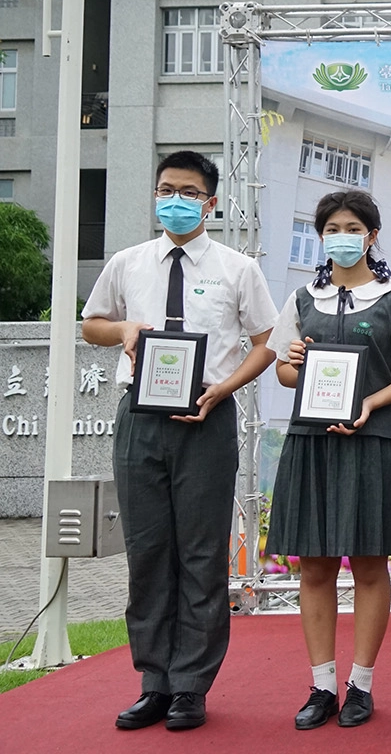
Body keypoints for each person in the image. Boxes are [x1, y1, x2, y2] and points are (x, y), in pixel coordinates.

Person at [82, 150, 279, 731]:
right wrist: (123, 330)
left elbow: (267, 341)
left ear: (210, 202)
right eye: (166, 189)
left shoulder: (238, 268)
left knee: (200, 556)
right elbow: (92, 324)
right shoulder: (128, 262)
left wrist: (224, 392)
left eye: (188, 192)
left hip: (206, 421)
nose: (175, 199)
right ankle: (154, 683)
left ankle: (191, 685)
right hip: (140, 419)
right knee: (148, 553)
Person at [264, 190, 391, 729]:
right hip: (312, 442)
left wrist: (372, 401)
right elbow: (285, 373)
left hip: (373, 441)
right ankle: (321, 686)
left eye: (351, 226)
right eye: (330, 227)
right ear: (321, 237)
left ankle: (360, 684)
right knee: (313, 565)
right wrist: (292, 362)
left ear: (372, 236)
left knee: (368, 564)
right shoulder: (300, 298)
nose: (341, 235)